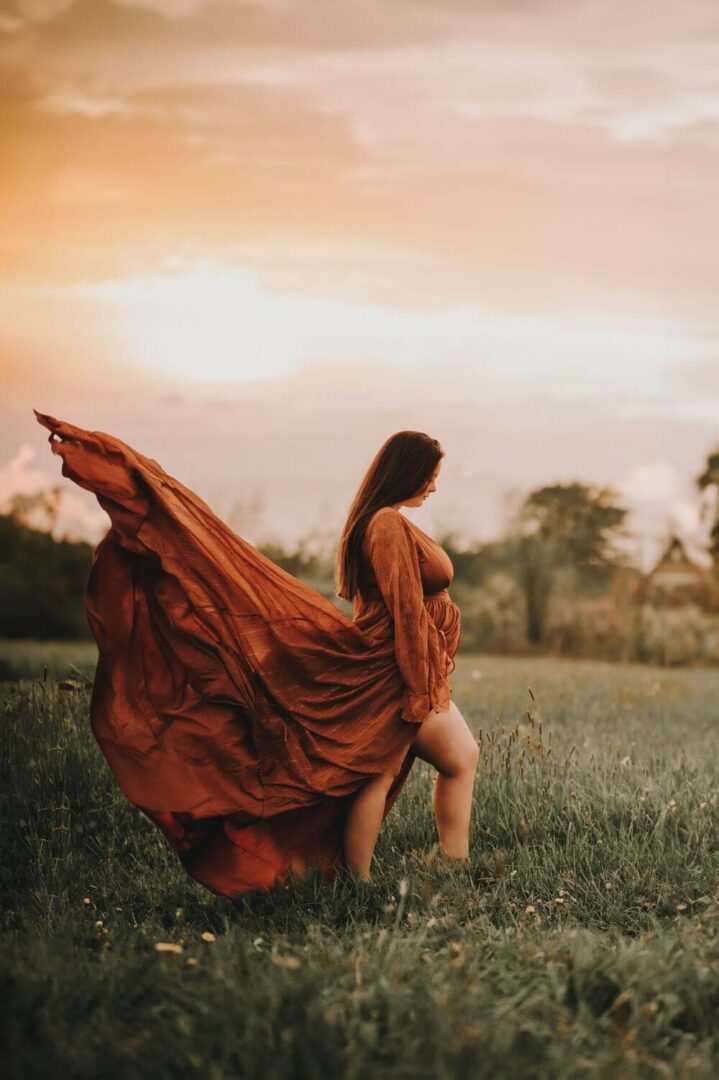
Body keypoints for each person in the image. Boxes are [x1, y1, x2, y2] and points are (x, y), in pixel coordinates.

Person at [34, 411, 478, 896]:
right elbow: (405, 609)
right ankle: (390, 877)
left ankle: (398, 874)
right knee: (418, 765)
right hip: (391, 669)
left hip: (398, 666)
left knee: (388, 771)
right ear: (406, 471)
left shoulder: (386, 521)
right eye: (430, 474)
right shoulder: (388, 523)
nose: (435, 484)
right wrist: (420, 684)